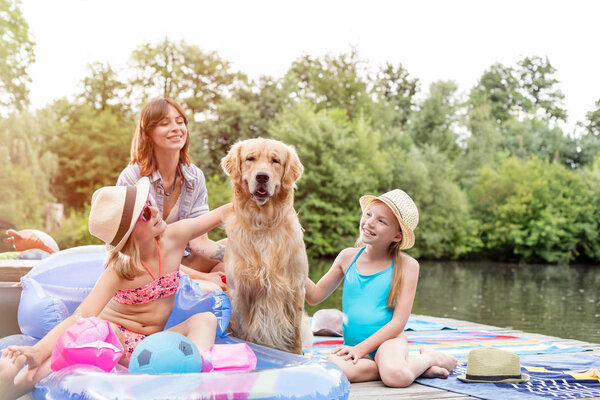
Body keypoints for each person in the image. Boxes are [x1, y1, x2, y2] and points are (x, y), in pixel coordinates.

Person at [0, 178, 232, 400]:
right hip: (119, 344)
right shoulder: (120, 270)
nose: (154, 212)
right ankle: (18, 384)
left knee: (206, 319)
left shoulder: (175, 237)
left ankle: (199, 374)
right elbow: (80, 316)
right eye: (144, 213)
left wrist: (258, 195)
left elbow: (222, 213)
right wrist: (39, 351)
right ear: (129, 236)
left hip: (155, 344)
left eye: (150, 203)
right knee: (96, 329)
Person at [305, 189, 457, 387]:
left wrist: (360, 349)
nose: (369, 222)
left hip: (389, 343)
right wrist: (291, 257)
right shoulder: (347, 257)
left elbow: (398, 323)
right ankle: (406, 367)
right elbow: (314, 296)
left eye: (381, 221)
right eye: (368, 214)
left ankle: (427, 358)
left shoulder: (408, 266)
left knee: (395, 377)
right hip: (355, 348)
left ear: (396, 236)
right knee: (334, 365)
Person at [117, 98, 226, 291]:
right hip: (142, 269)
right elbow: (142, 255)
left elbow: (199, 243)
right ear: (148, 133)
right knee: (216, 280)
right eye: (164, 123)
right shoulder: (132, 178)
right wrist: (203, 277)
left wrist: (246, 258)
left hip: (180, 262)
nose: (176, 128)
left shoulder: (194, 177)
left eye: (180, 121)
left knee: (233, 255)